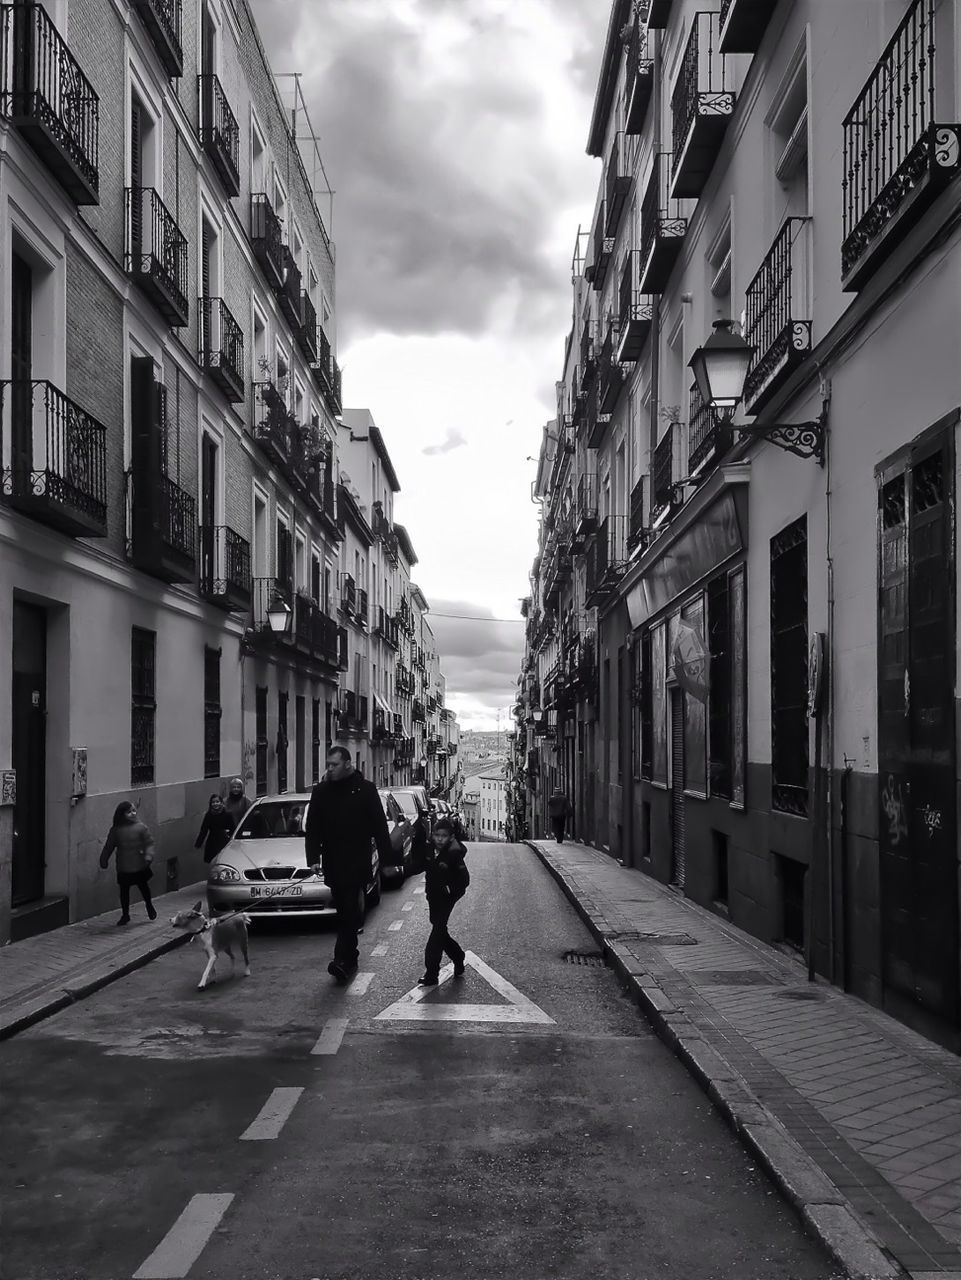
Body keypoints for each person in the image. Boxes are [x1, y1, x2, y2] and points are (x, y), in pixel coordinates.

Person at [305, 744, 395, 983]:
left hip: (357, 860)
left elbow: (379, 826)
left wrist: (387, 861)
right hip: (333, 861)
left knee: (349, 908)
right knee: (344, 910)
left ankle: (341, 960)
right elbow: (313, 827)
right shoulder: (321, 792)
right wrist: (312, 858)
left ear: (347, 764)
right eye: (328, 765)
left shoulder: (365, 790)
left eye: (334, 765)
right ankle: (350, 955)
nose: (330, 769)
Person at [419, 816, 469, 986]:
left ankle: (432, 973)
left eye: (444, 836)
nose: (439, 839)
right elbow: (420, 865)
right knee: (439, 929)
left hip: (448, 897)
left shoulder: (454, 854)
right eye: (437, 835)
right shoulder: (430, 849)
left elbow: (464, 879)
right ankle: (458, 956)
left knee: (437, 932)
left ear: (451, 837)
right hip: (433, 895)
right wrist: (401, 869)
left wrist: (450, 889)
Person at [99, 801, 156, 926]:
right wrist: (104, 859)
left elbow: (149, 843)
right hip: (124, 867)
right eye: (129, 812)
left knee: (144, 888)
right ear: (122, 814)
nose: (132, 813)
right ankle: (125, 914)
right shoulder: (116, 830)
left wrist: (148, 856)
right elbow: (109, 846)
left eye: (134, 810)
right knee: (124, 892)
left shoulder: (141, 827)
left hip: (140, 865)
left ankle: (149, 905)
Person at [194, 794, 235, 864]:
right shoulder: (209, 815)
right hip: (212, 842)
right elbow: (204, 830)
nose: (215, 804)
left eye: (217, 802)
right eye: (213, 802)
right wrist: (198, 843)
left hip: (224, 841)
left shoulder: (227, 814)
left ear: (221, 803)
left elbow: (233, 828)